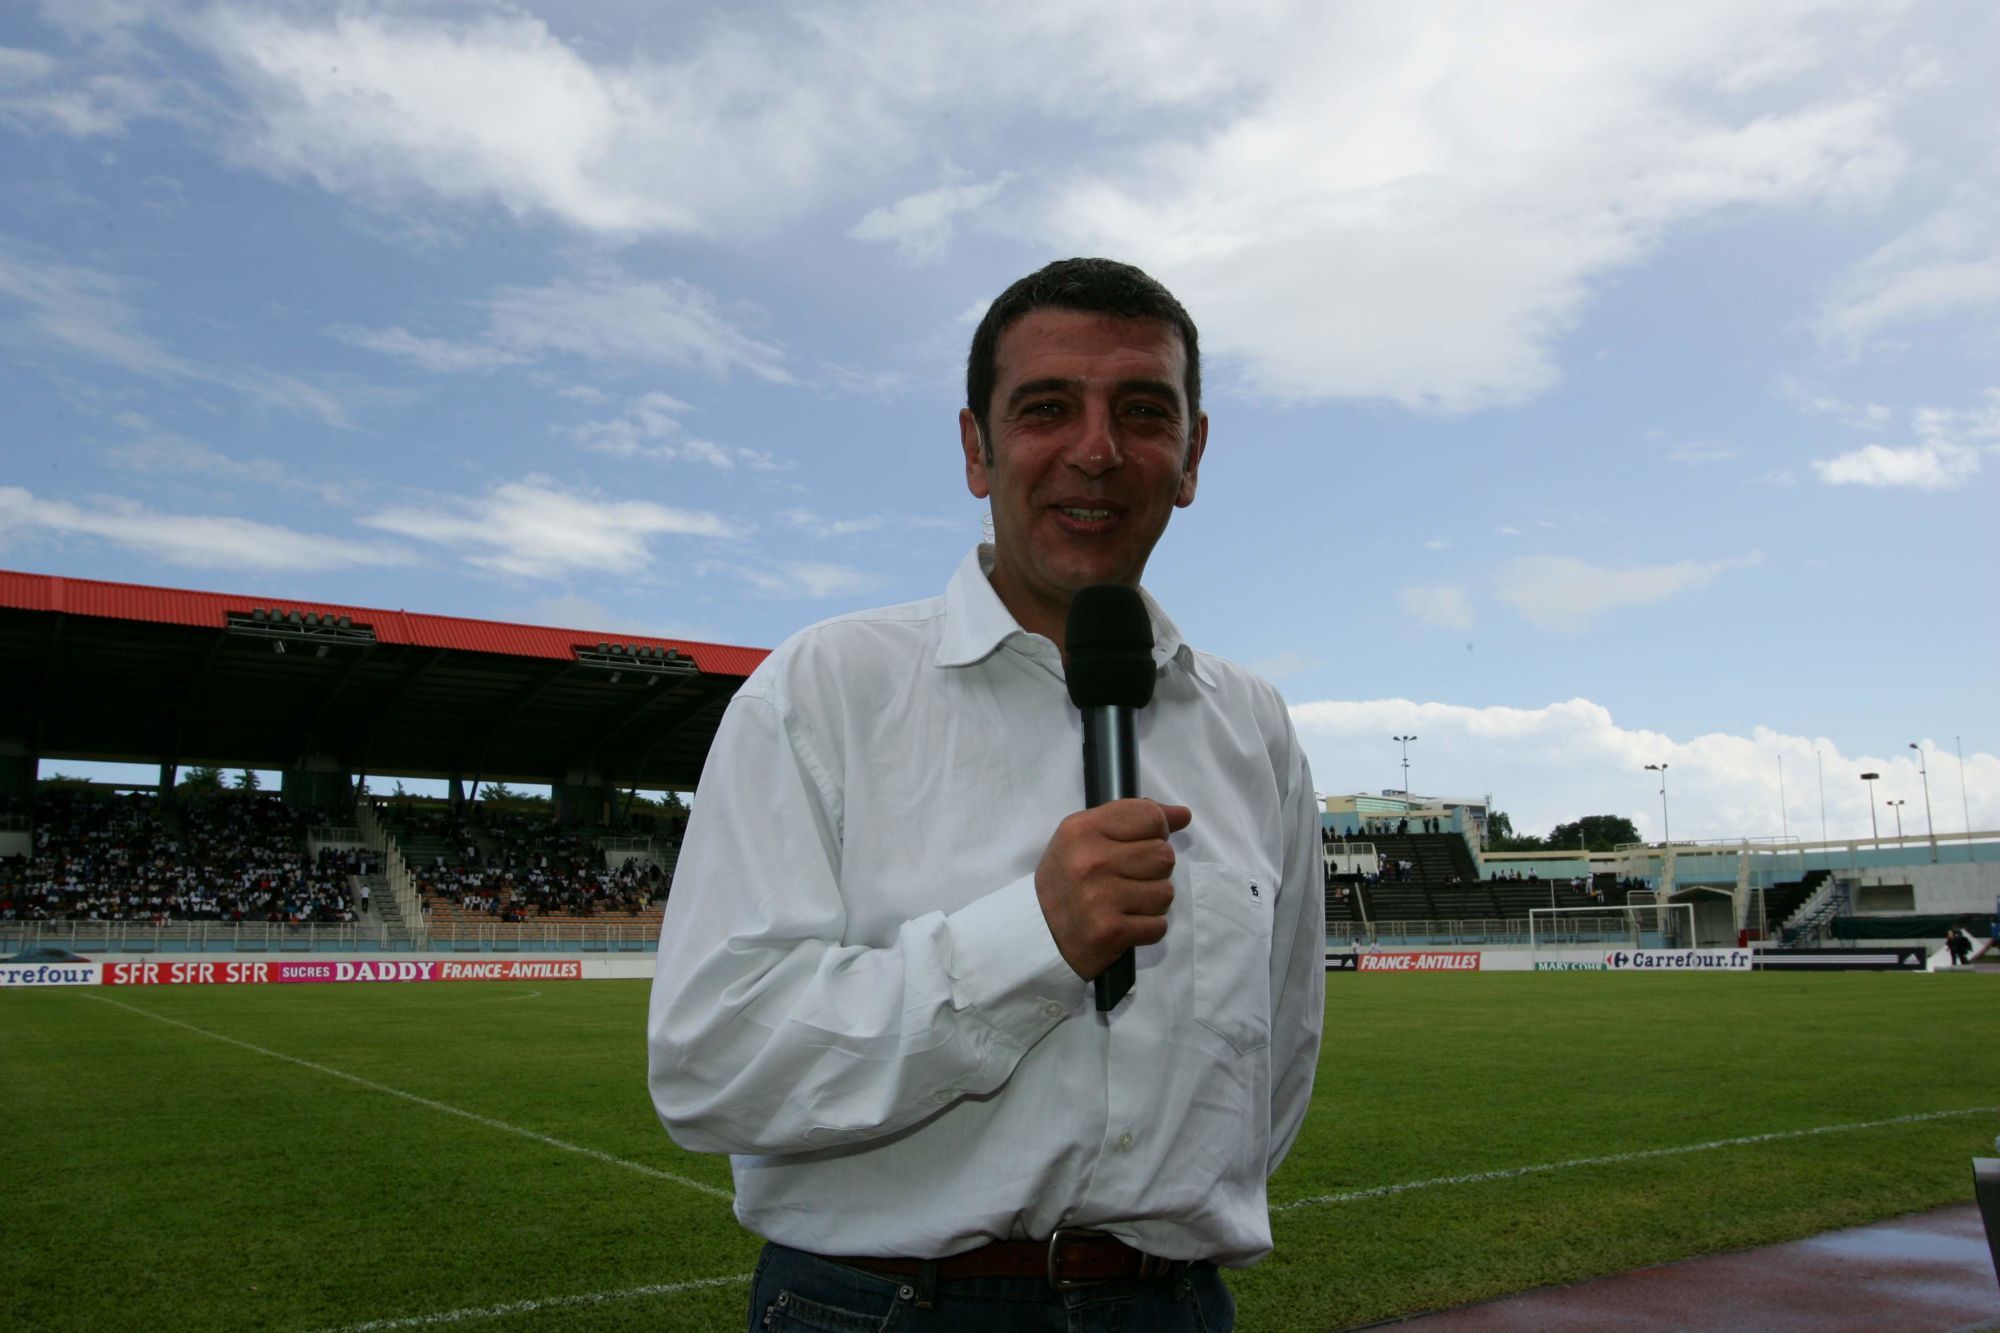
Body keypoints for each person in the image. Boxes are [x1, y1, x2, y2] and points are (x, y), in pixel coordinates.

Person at [647, 258, 1324, 1331]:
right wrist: (1034, 939)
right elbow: (710, 1063)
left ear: (1191, 456)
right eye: (1046, 407)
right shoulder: (825, 688)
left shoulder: (1254, 727)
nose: (1095, 449)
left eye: (1143, 412)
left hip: (1169, 1308)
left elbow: (1280, 1059)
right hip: (881, 1307)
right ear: (976, 448)